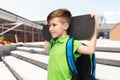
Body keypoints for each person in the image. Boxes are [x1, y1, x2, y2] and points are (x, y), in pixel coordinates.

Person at [44, 8, 98, 80]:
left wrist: (95, 27)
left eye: (54, 25)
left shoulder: (71, 43)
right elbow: (46, 49)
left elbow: (90, 50)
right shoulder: (54, 43)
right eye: (49, 26)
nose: (50, 28)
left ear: (65, 26)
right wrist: (45, 29)